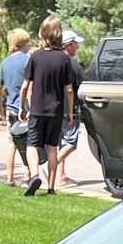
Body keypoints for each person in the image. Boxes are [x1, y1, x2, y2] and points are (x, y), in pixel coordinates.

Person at [18, 15, 81, 196]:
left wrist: (23, 107)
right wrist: (69, 112)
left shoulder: (35, 56)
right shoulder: (64, 59)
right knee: (52, 147)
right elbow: (69, 89)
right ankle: (52, 187)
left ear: (43, 33)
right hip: (56, 110)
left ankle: (34, 175)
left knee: (32, 144)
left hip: (37, 109)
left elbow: (25, 86)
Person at [0, 29, 33, 187]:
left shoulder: (5, 63)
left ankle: (9, 178)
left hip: (10, 108)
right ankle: (27, 177)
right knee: (31, 144)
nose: (30, 45)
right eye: (28, 42)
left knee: (13, 144)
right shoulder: (28, 60)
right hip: (25, 109)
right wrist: (30, 107)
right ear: (22, 43)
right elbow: (31, 86)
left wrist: (0, 113)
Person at [56, 30, 83, 188]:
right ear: (68, 45)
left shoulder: (56, 61)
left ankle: (61, 176)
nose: (77, 47)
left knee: (61, 143)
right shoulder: (72, 65)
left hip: (56, 108)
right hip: (69, 110)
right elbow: (75, 88)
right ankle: (54, 164)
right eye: (75, 44)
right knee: (70, 143)